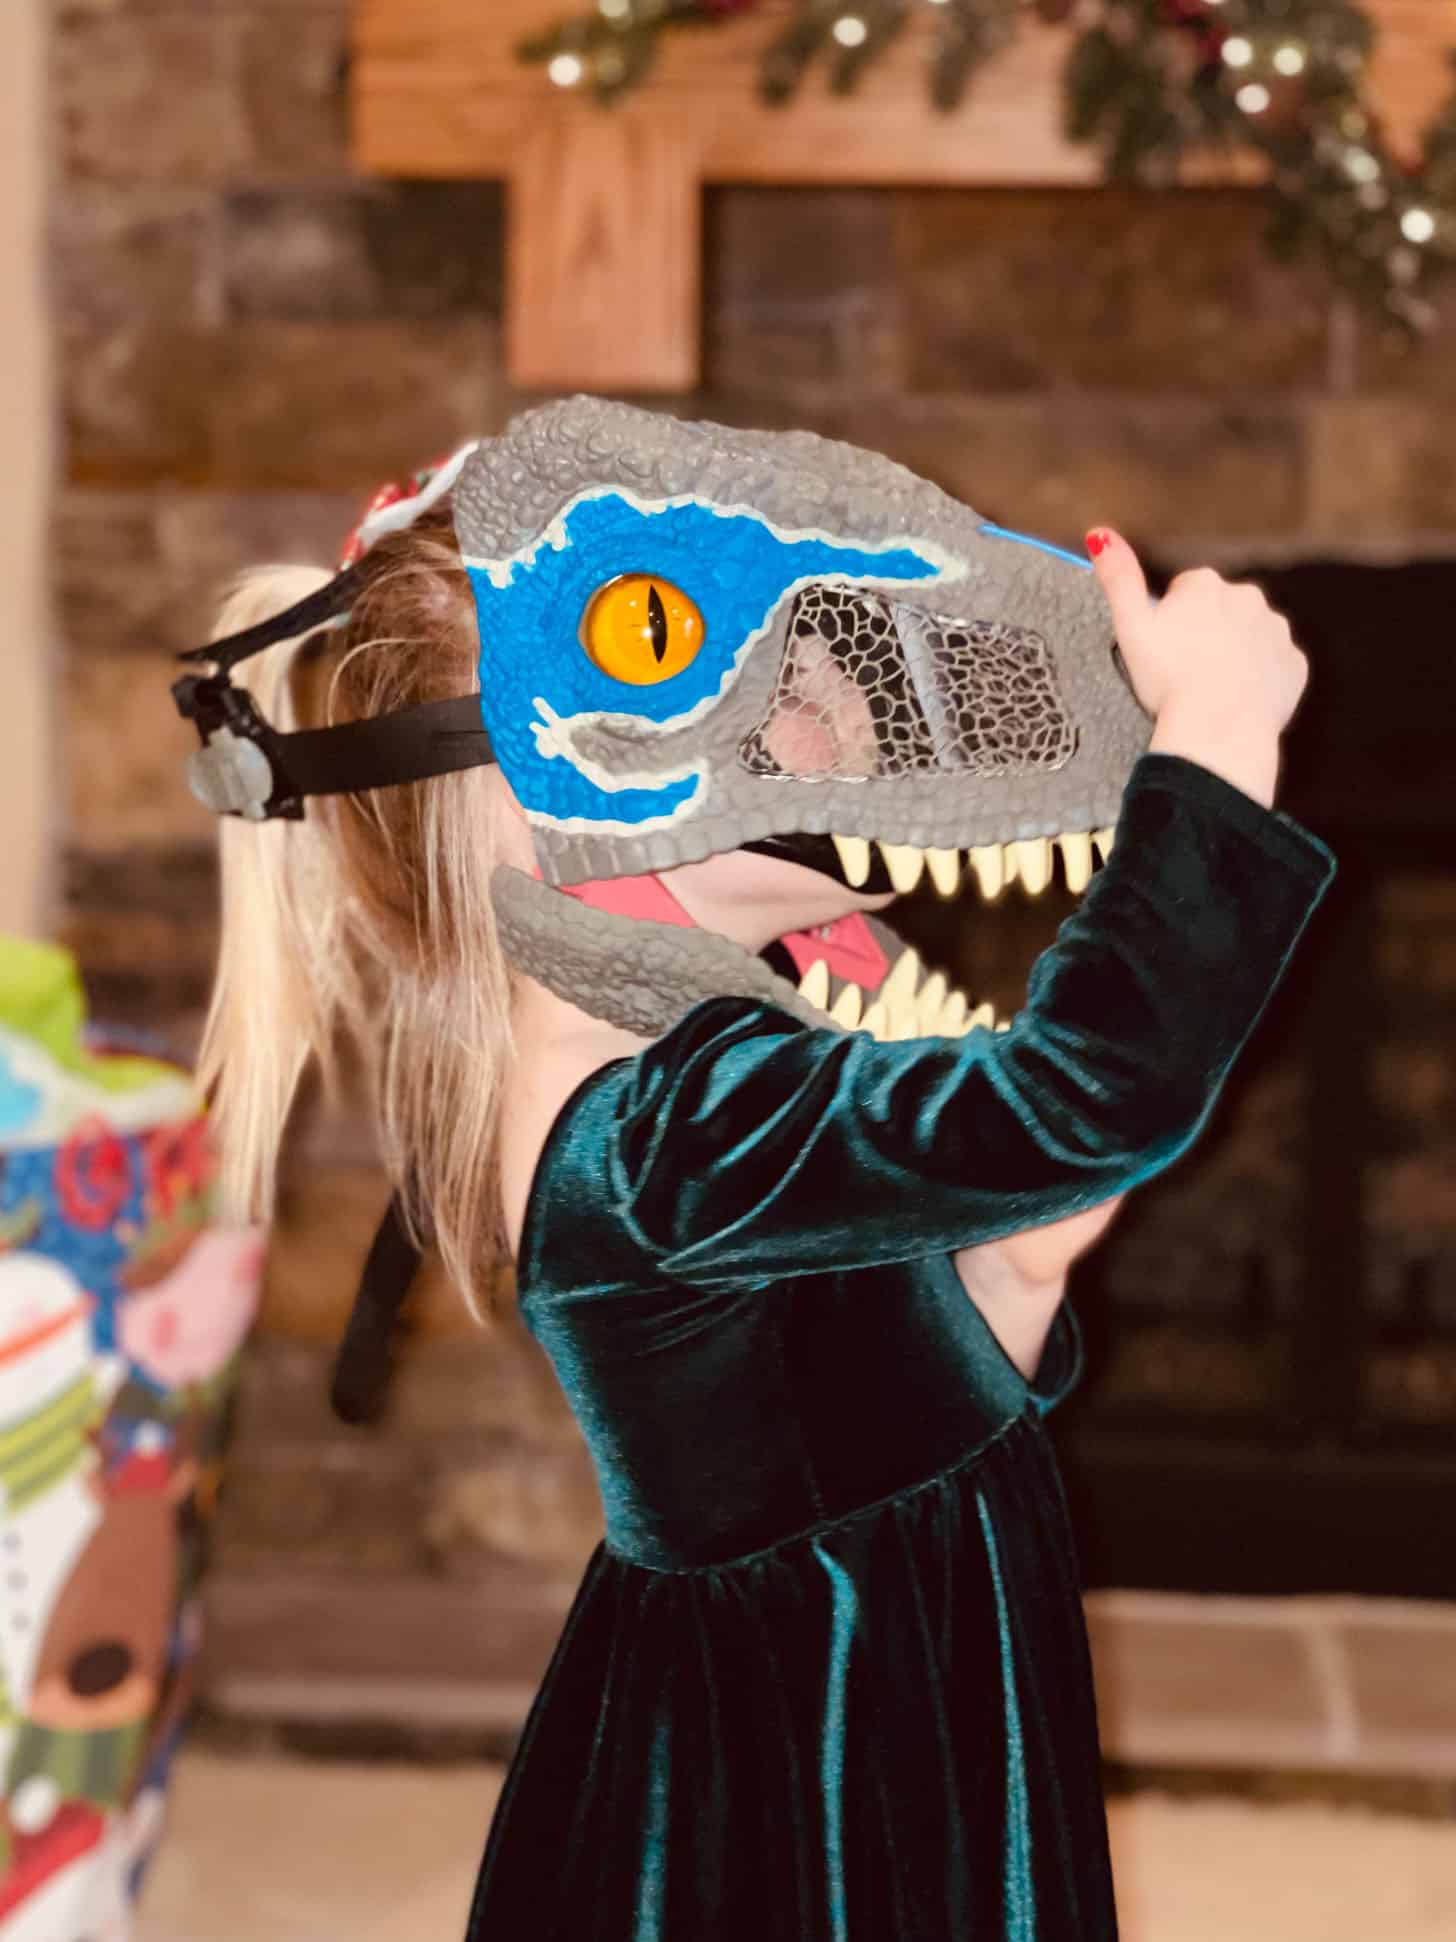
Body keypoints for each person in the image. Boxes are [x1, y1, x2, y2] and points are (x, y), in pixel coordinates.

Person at [180, 401, 1332, 1939]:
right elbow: (1083, 1089)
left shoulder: (686, 1084)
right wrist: (1220, 746)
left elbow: (803, 1392)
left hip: (874, 1629)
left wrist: (1000, 1282)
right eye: (734, 684)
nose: (828, 722)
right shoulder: (664, 1127)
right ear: (543, 802)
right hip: (831, 1715)